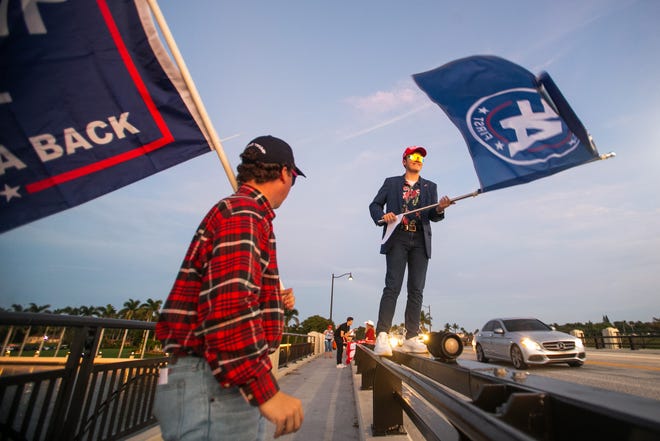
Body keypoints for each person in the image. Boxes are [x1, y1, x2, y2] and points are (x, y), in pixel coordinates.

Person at [154, 135, 305, 440]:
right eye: (294, 179)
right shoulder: (245, 214)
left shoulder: (238, 211)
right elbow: (230, 305)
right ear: (285, 173)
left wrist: (271, 299)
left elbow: (221, 292)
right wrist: (266, 393)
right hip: (213, 386)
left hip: (212, 382)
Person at [369, 146, 452, 356]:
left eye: (420, 158)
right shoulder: (391, 183)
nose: (417, 160)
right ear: (404, 161)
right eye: (413, 157)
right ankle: (382, 335)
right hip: (397, 237)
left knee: (416, 290)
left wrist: (440, 208)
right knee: (392, 286)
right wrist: (383, 216)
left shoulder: (429, 186)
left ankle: (412, 337)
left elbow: (433, 214)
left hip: (420, 241)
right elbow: (375, 205)